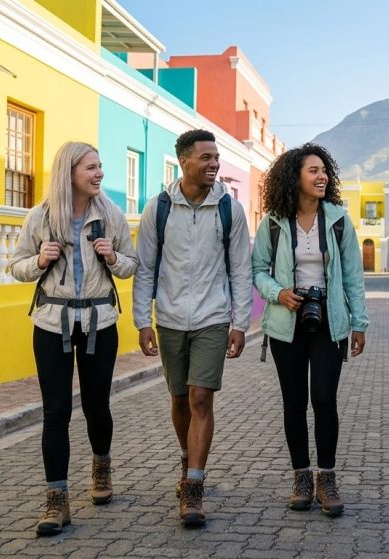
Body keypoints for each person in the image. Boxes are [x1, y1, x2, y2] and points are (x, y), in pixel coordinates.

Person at [7, 141, 138, 536]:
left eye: (100, 167)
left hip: (100, 322)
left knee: (97, 407)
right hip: (52, 323)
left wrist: (113, 258)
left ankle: (101, 468)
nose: (99, 174)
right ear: (70, 173)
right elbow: (16, 267)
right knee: (55, 413)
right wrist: (40, 259)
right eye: (91, 168)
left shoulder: (110, 215)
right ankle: (57, 502)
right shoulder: (41, 217)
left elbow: (131, 265)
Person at [132, 129, 252, 528]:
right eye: (205, 157)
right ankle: (187, 461)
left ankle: (195, 486)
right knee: (180, 398)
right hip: (168, 319)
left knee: (202, 397)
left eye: (216, 157)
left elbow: (240, 268)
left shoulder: (229, 210)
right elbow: (146, 266)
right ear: (183, 161)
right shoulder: (159, 208)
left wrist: (240, 321)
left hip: (212, 318)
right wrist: (141, 321)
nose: (214, 163)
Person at [251, 144, 369, 518]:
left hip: (329, 323)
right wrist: (278, 293)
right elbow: (257, 270)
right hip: (287, 322)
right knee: (293, 402)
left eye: (324, 171)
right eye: (313, 171)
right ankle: (301, 477)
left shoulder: (337, 219)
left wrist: (359, 323)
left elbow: (353, 275)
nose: (322, 177)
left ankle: (327, 478)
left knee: (324, 399)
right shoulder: (272, 221)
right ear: (294, 178)